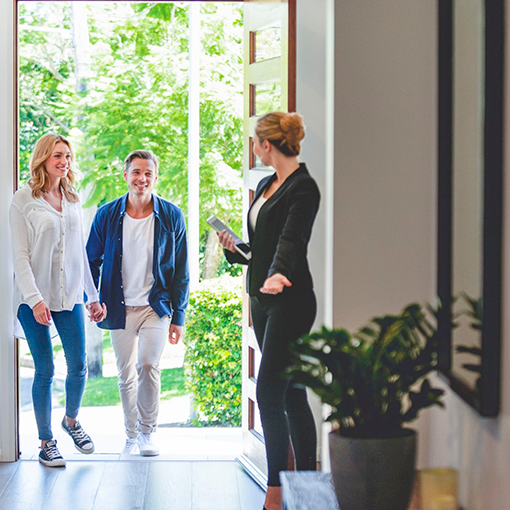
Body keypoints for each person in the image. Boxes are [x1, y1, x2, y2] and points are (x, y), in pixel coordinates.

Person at [218, 112, 320, 510]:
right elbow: (260, 247)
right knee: (293, 393)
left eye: (254, 143)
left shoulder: (303, 187)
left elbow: (293, 240)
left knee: (268, 391)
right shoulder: (265, 184)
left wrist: (279, 272)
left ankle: (275, 494)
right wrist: (235, 250)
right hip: (262, 300)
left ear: (267, 145)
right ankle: (309, 486)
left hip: (292, 302)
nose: (252, 149)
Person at [10, 133, 107, 468]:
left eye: (68, 156)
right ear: (42, 160)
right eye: (57, 156)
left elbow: (79, 253)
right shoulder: (23, 200)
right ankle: (46, 442)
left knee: (78, 366)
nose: (64, 162)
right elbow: (20, 257)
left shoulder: (72, 199)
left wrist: (92, 297)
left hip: (69, 297)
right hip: (33, 298)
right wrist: (35, 300)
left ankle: (71, 421)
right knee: (45, 369)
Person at [86, 149, 189, 456]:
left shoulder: (172, 215)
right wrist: (93, 300)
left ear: (155, 177)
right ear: (126, 175)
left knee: (148, 365)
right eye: (136, 172)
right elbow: (89, 261)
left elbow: (181, 270)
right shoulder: (107, 214)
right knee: (125, 371)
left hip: (154, 306)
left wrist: (178, 317)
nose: (141, 179)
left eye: (148, 173)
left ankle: (147, 433)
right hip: (117, 307)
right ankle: (130, 435)